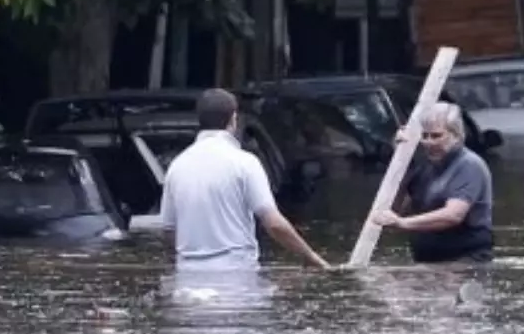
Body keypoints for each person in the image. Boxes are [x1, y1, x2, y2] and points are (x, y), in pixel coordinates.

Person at [159, 89, 330, 269]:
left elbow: (169, 230)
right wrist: (310, 256)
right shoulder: (244, 163)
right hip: (236, 273)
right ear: (233, 119)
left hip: (188, 276)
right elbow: (274, 224)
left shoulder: (177, 166)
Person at [372, 101, 493, 263]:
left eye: (436, 136)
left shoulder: (469, 165)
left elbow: (453, 215)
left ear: (456, 136)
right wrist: (400, 162)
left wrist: (403, 223)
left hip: (464, 259)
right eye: (424, 136)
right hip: (427, 259)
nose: (428, 142)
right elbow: (395, 209)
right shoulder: (424, 167)